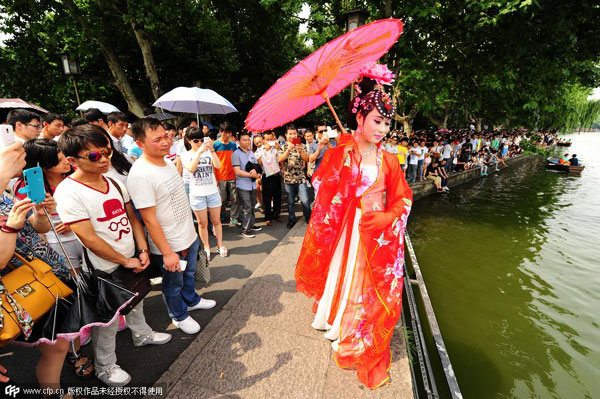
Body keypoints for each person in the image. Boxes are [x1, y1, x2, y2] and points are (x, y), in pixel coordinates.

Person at [295, 66, 412, 389]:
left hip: (376, 232)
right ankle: (334, 320)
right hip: (349, 228)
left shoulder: (389, 160)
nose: (383, 128)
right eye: (377, 120)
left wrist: (390, 217)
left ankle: (356, 329)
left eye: (387, 122)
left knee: (366, 283)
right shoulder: (342, 153)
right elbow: (322, 189)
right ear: (359, 117)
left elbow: (403, 197)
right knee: (344, 276)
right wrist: (341, 165)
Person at [55, 124, 172, 387]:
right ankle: (105, 367)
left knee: (137, 297)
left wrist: (141, 249)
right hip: (103, 267)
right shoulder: (69, 191)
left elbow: (132, 217)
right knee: (106, 320)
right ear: (72, 161)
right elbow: (88, 237)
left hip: (130, 255)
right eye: (95, 156)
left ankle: (141, 334)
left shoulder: (114, 182)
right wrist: (123, 260)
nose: (105, 158)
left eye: (106, 151)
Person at [0, 141, 88, 396]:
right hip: (23, 290)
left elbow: (39, 229)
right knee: (57, 347)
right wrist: (11, 228)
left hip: (46, 275)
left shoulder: (6, 193)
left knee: (58, 345)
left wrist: (40, 214)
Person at [126, 118, 216, 336]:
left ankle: (192, 300)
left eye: (166, 136)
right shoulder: (140, 174)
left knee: (189, 273)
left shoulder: (166, 162)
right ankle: (179, 315)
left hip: (187, 233)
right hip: (170, 243)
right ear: (140, 144)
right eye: (157, 139)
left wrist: (193, 232)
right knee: (172, 283)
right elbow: (149, 219)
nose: (165, 142)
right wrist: (166, 252)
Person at [180, 127, 226, 258]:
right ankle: (206, 246)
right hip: (197, 194)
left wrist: (211, 150)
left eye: (201, 139)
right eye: (196, 140)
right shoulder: (185, 155)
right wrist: (198, 153)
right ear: (189, 141)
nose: (199, 143)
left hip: (212, 192)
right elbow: (191, 169)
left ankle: (220, 245)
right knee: (202, 223)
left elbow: (218, 166)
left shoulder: (208, 152)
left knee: (216, 221)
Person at [279, 124, 311, 229]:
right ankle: (291, 219)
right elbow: (280, 159)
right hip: (288, 178)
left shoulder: (302, 146)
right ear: (286, 135)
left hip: (300, 177)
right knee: (290, 202)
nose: (292, 135)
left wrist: (300, 151)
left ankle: (308, 217)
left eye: (294, 133)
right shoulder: (283, 146)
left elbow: (307, 159)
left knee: (305, 200)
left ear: (297, 134)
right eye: (290, 134)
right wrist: (288, 150)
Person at [232, 131, 262, 238]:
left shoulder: (251, 152)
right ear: (238, 141)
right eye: (244, 140)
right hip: (243, 185)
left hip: (253, 184)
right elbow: (237, 171)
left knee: (252, 205)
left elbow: (256, 166)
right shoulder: (236, 154)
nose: (247, 142)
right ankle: (245, 229)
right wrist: (251, 175)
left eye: (248, 139)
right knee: (247, 206)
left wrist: (258, 174)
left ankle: (250, 224)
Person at [213, 122, 240, 226]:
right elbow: (212, 162)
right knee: (222, 199)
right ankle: (222, 214)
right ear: (220, 132)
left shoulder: (233, 145)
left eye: (229, 133)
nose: (227, 135)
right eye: (225, 133)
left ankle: (234, 217)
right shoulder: (215, 145)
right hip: (220, 176)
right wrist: (214, 177)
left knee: (235, 198)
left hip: (233, 175)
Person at [255, 131, 282, 226]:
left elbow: (280, 160)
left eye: (271, 139)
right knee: (267, 198)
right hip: (266, 176)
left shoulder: (275, 148)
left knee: (277, 196)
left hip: (276, 174)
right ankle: (267, 217)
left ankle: (276, 215)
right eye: (267, 140)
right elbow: (258, 163)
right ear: (263, 140)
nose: (269, 141)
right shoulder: (259, 150)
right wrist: (264, 151)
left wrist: (277, 148)